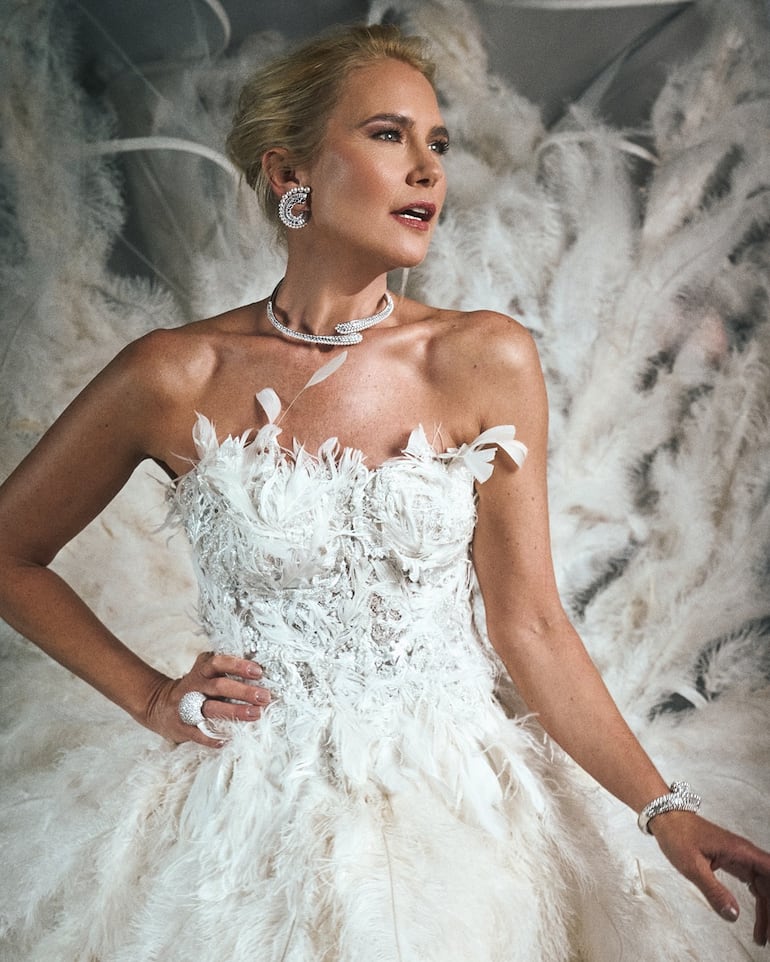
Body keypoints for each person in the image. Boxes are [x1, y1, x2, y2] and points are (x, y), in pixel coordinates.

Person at [0, 21, 767, 962]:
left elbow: (530, 625)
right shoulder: (173, 374)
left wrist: (665, 811)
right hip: (247, 818)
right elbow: (9, 551)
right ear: (291, 173)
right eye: (388, 134)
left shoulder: (481, 358)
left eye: (437, 143)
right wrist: (153, 697)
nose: (427, 169)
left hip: (455, 814)